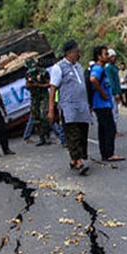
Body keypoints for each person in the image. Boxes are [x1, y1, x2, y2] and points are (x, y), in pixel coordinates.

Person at [48, 40, 92, 175]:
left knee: (83, 132)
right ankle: (79, 162)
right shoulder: (58, 68)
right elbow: (53, 89)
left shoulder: (78, 66)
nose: (79, 54)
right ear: (69, 53)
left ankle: (74, 159)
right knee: (73, 134)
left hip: (82, 106)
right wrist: (51, 109)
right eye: (77, 52)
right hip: (69, 107)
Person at [90, 45, 125, 161]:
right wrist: (102, 93)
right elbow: (93, 80)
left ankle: (105, 153)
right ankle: (109, 153)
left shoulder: (103, 68)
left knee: (103, 129)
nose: (108, 56)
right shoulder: (98, 68)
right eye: (105, 54)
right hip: (101, 104)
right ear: (99, 56)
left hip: (102, 104)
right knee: (109, 128)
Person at [25, 57, 52, 146]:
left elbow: (49, 84)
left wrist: (38, 85)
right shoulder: (28, 74)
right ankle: (42, 138)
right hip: (34, 97)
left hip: (43, 96)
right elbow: (27, 86)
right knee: (36, 117)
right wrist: (29, 85)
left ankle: (47, 135)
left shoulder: (43, 72)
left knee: (43, 114)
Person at [105, 49, 122, 132]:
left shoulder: (114, 67)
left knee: (116, 111)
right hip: (112, 93)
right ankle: (113, 130)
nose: (114, 59)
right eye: (112, 57)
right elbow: (111, 81)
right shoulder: (108, 68)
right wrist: (115, 93)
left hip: (116, 91)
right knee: (114, 111)